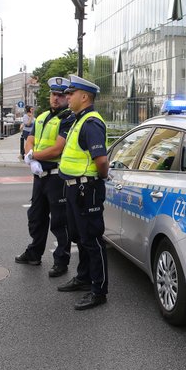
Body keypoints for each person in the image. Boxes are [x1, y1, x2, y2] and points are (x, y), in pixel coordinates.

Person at [56, 74, 110, 311]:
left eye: (71, 93)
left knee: (92, 240)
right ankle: (83, 277)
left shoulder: (91, 123)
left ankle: (99, 290)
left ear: (84, 96)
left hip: (86, 189)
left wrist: (101, 177)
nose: (67, 97)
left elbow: (102, 161)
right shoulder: (78, 120)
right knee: (79, 236)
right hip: (75, 189)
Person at [14, 77, 75, 277]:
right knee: (36, 216)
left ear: (67, 97)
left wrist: (33, 156)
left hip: (57, 176)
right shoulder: (42, 117)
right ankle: (34, 253)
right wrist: (31, 157)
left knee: (59, 221)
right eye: (53, 94)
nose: (55, 99)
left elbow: (59, 147)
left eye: (60, 95)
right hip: (40, 175)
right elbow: (29, 138)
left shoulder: (68, 119)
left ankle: (61, 260)